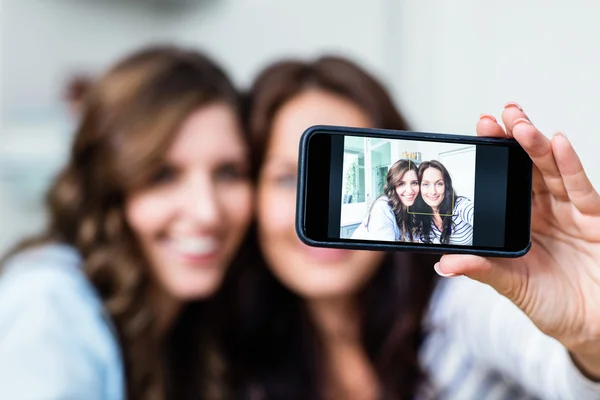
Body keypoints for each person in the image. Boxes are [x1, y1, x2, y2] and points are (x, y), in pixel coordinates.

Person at [231, 55, 600, 400]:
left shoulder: (458, 305)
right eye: (285, 178)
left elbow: (561, 374)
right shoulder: (244, 358)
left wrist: (590, 342)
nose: (313, 201)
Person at [0, 46, 254, 400]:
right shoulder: (50, 304)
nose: (207, 211)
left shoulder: (195, 322)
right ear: (111, 188)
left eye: (229, 173)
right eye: (164, 175)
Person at [227, 56, 440, 400]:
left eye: (352, 178)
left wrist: (563, 326)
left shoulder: (460, 305)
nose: (326, 212)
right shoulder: (235, 364)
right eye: (289, 179)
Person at [351, 159, 421, 242]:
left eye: (414, 183)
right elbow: (387, 251)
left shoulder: (413, 207)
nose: (409, 190)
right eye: (401, 184)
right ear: (393, 186)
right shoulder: (382, 207)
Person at [414, 160, 474, 245]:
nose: (433, 192)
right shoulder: (425, 215)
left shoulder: (461, 207)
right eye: (425, 184)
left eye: (439, 184)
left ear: (446, 186)